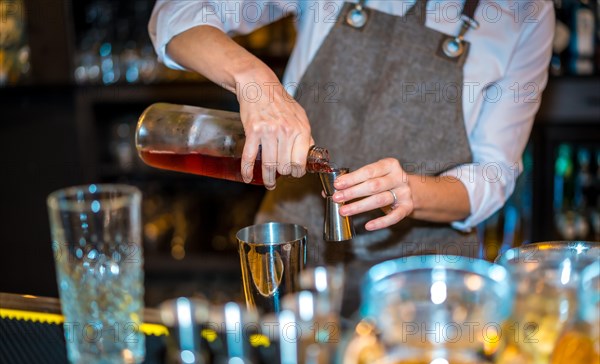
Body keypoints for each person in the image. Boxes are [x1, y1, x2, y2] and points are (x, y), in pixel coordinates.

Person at [149, 1, 554, 270]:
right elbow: (174, 16)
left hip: (422, 273)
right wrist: (257, 82)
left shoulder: (525, 10)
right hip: (294, 247)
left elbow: (494, 174)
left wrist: (413, 191)